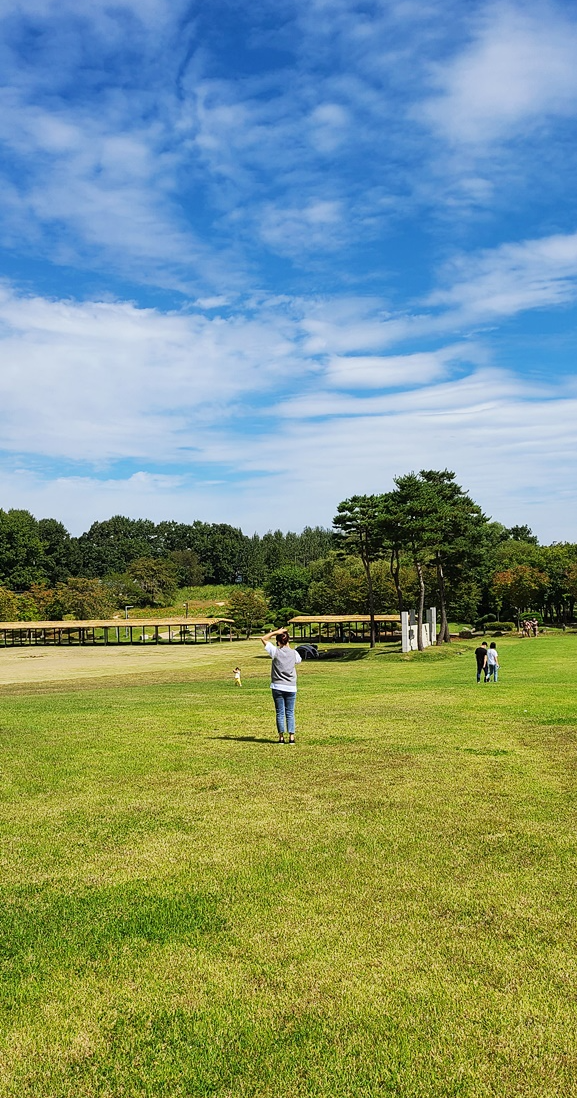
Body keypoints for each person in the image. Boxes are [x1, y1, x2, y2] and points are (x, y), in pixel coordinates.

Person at [260, 627, 302, 743]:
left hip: (277, 686)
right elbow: (298, 660)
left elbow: (263, 639)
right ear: (288, 640)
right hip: (291, 686)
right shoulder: (294, 653)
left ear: (278, 641)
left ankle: (281, 737)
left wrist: (275, 632)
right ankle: (292, 737)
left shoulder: (275, 652)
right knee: (290, 712)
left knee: (280, 712)